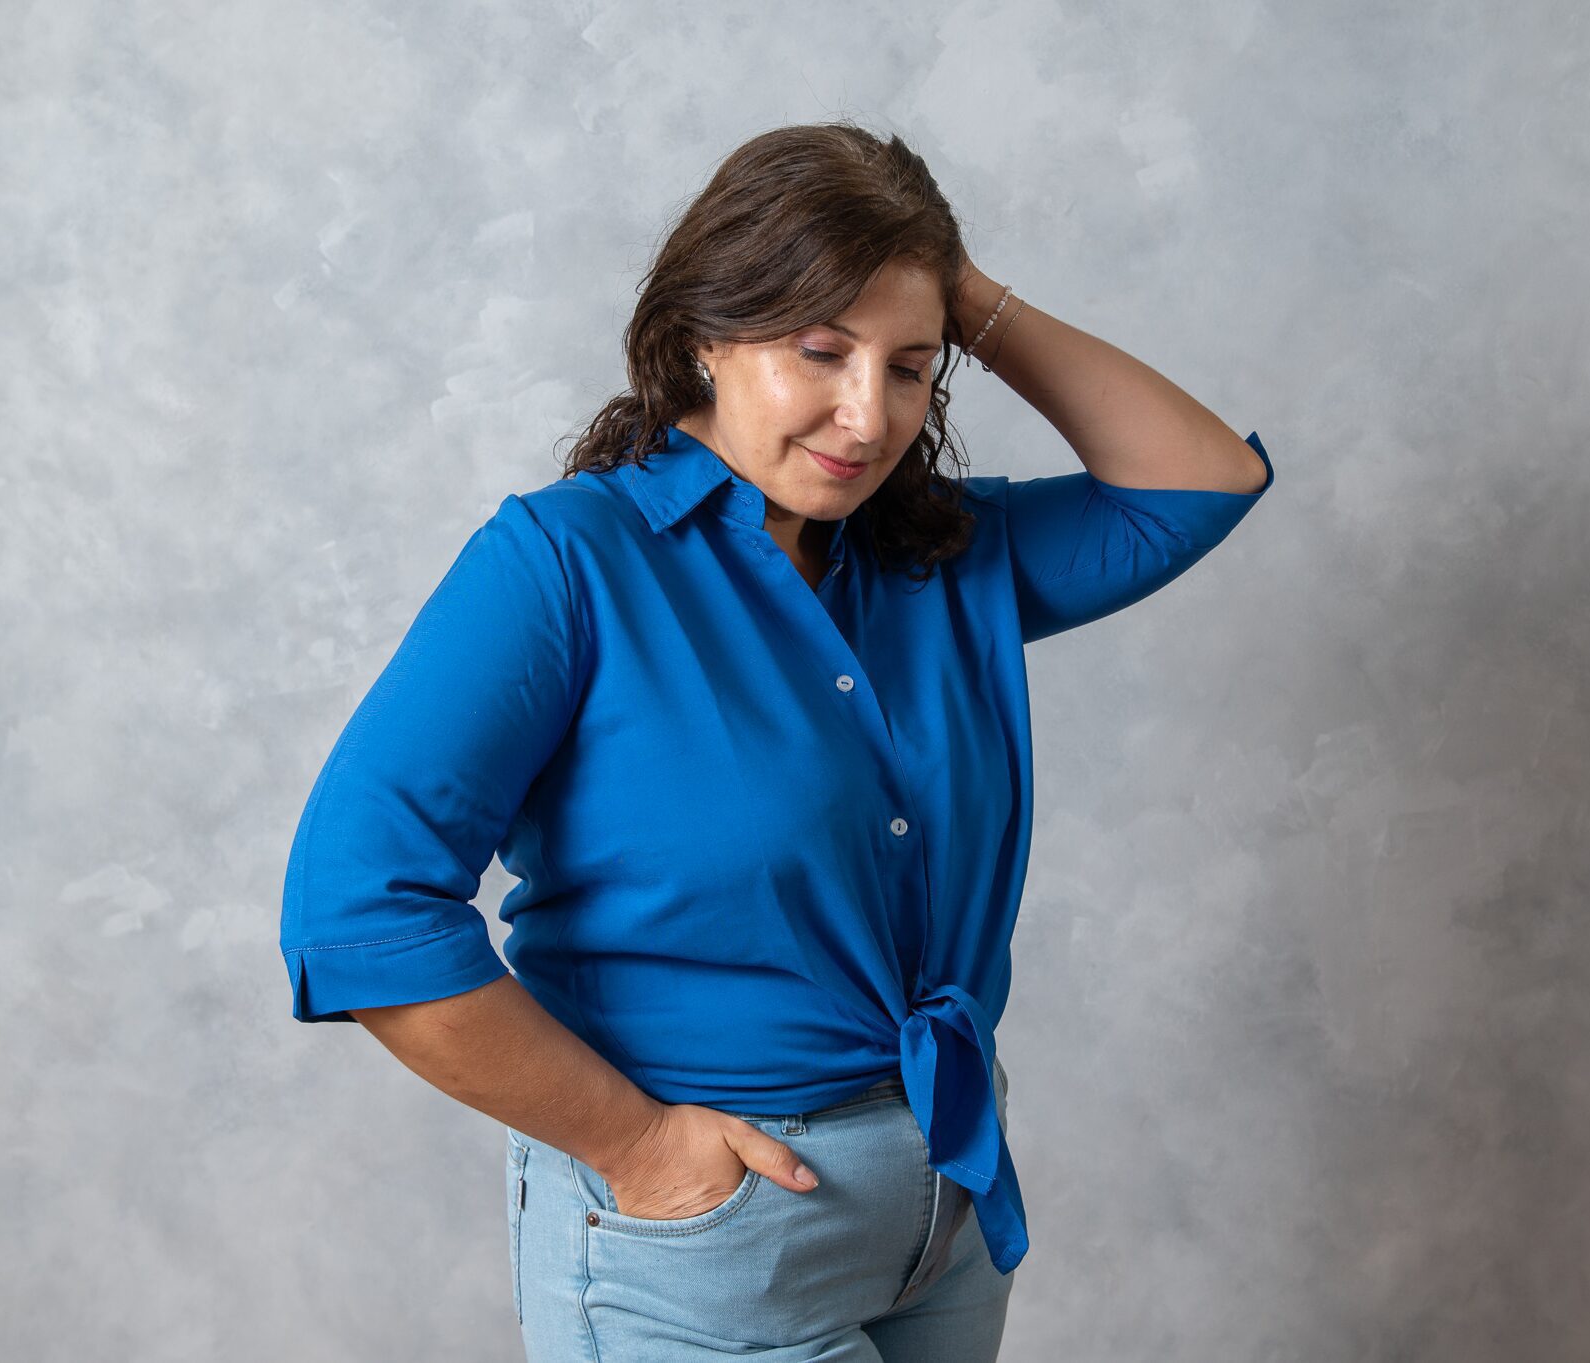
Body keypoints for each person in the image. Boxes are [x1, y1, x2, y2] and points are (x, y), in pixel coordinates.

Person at [278, 119, 1273, 1362]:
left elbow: (1198, 480)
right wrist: (640, 1147)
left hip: (940, 1214)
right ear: (705, 334)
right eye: (819, 350)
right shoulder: (566, 565)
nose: (866, 414)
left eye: (908, 367)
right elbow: (355, 906)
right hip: (712, 1241)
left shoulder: (937, 555)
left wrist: (951, 284)